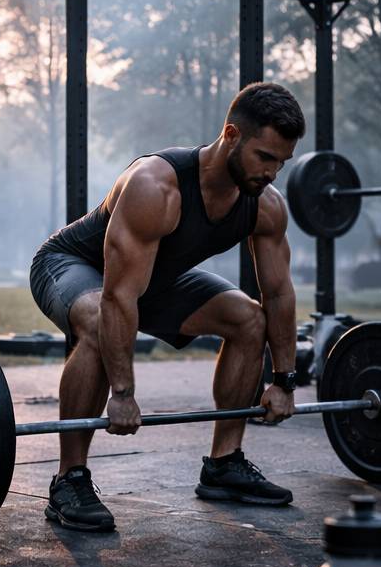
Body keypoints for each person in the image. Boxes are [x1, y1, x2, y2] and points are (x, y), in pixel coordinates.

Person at [28, 82, 302, 533]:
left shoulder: (265, 206)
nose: (272, 173)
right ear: (231, 135)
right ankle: (69, 478)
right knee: (100, 320)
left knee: (249, 317)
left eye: (281, 163)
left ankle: (224, 464)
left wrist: (284, 380)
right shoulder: (156, 185)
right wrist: (122, 393)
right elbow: (118, 296)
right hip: (73, 266)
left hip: (153, 279)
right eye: (265, 157)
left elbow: (278, 295)